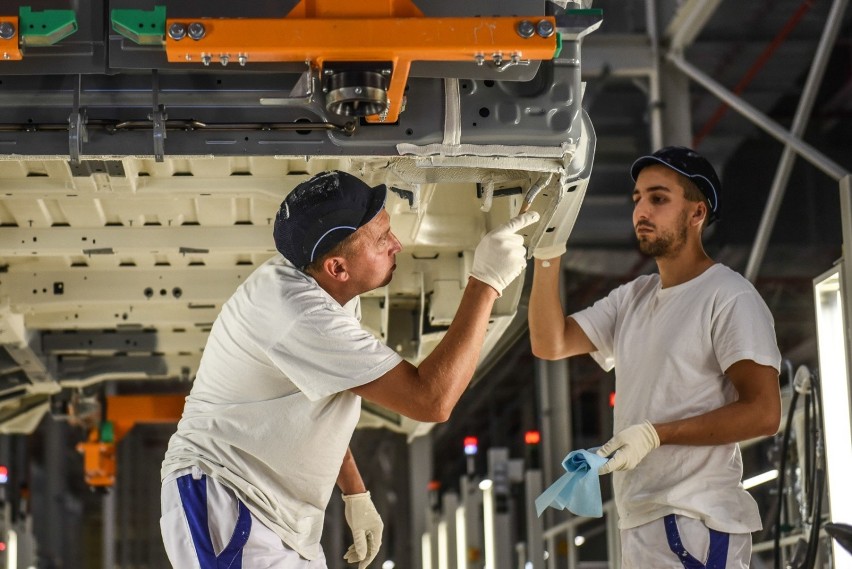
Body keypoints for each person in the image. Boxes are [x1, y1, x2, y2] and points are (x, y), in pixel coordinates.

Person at [160, 170, 539, 568]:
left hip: (273, 512)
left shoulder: (325, 290)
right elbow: (431, 400)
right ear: (338, 268)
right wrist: (485, 284)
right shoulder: (299, 315)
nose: (397, 244)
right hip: (228, 499)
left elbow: (319, 397)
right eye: (381, 241)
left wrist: (355, 492)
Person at [528, 146, 782, 568]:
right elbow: (550, 342)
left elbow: (764, 413)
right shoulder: (635, 297)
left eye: (658, 198)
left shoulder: (728, 296)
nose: (641, 210)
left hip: (695, 519)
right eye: (638, 199)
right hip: (644, 517)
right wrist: (547, 251)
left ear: (697, 214)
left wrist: (655, 434)